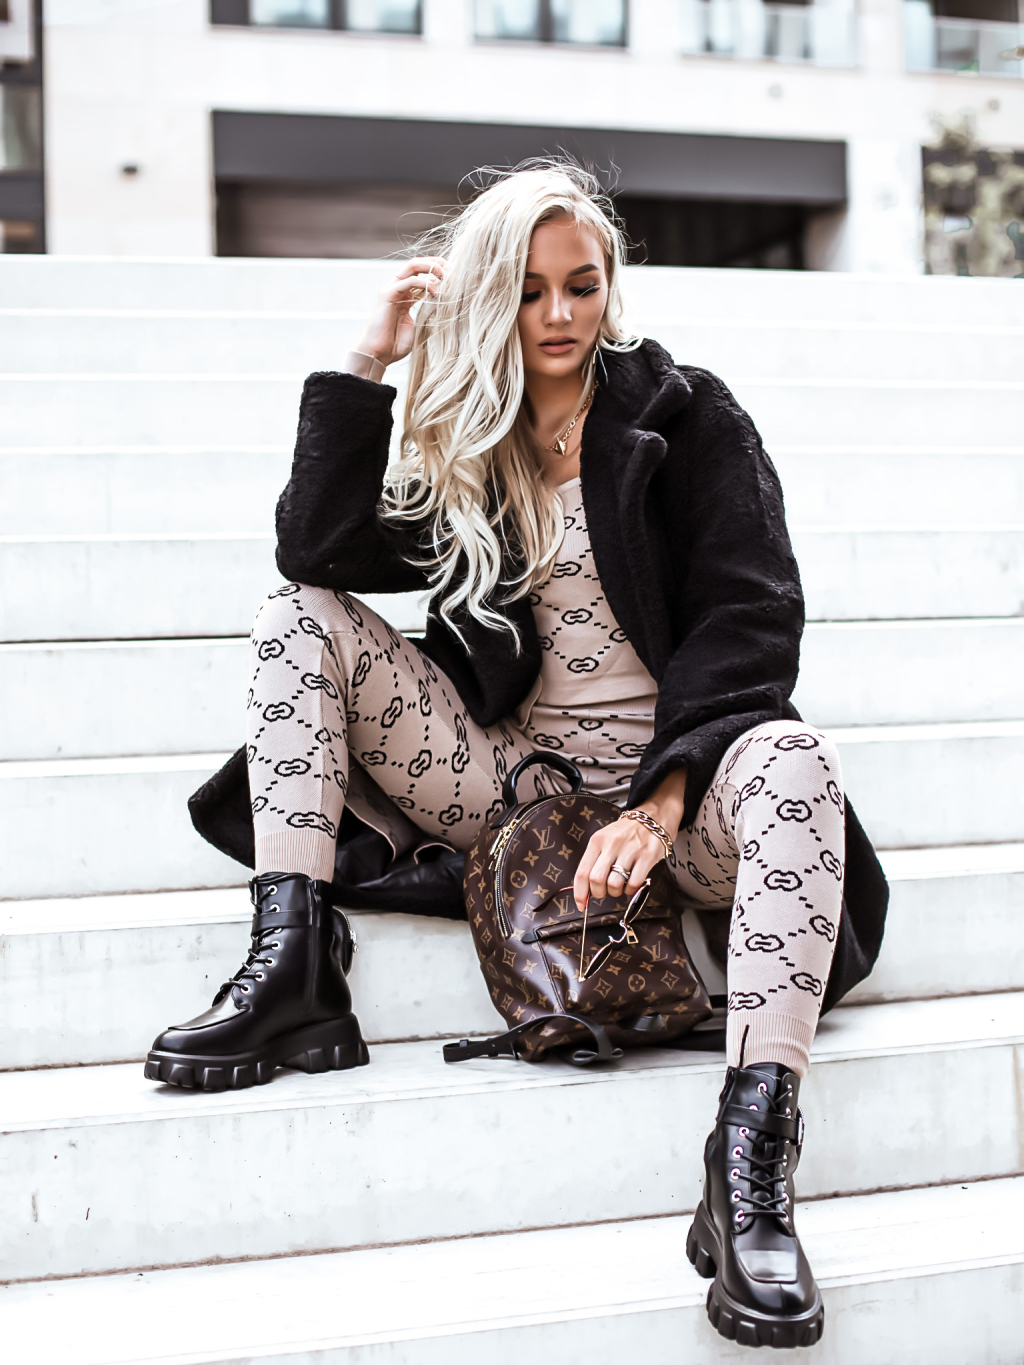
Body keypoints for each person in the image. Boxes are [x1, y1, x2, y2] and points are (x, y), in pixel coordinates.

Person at [147, 162, 887, 1349]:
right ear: (491, 295)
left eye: (581, 286)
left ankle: (749, 1164)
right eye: (530, 290)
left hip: (677, 804)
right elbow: (316, 547)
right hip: (515, 789)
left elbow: (752, 621)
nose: (557, 315)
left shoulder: (685, 416)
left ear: (609, 285)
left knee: (798, 757)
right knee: (296, 618)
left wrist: (658, 806)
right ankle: (292, 964)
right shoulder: (470, 438)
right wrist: (368, 363)